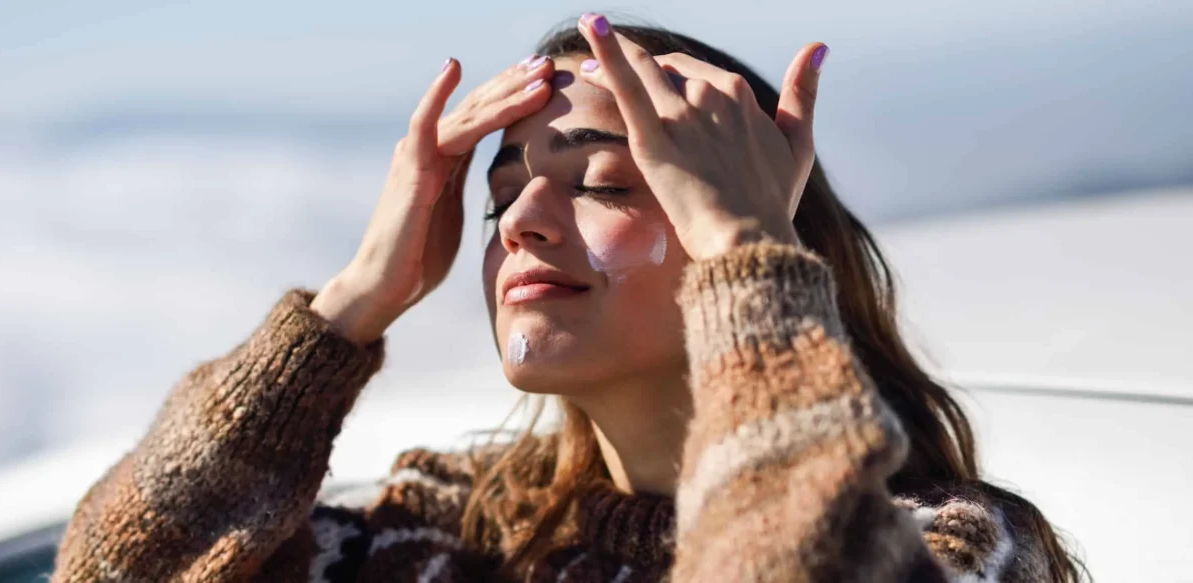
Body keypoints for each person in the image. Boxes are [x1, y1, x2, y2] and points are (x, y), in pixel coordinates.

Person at [52, 13, 1086, 582]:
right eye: (501, 197)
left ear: (758, 239)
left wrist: (747, 251)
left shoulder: (959, 550)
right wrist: (351, 304)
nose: (525, 224)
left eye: (601, 183)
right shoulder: (442, 535)